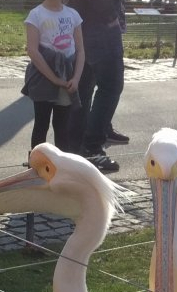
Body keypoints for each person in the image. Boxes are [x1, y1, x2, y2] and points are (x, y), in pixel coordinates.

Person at [67, 0, 127, 173]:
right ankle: (92, 147)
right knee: (111, 86)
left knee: (84, 86)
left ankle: (76, 146)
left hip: (83, 20)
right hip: (100, 24)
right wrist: (111, 15)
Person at [22, 0, 85, 153]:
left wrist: (76, 78)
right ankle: (37, 163)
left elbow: (80, 50)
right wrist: (55, 79)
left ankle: (62, 163)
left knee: (62, 125)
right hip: (43, 75)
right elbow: (33, 51)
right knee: (41, 123)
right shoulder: (36, 14)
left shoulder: (73, 14)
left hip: (67, 74)